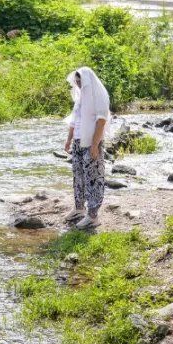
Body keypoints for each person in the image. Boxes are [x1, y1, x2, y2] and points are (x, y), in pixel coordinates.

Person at [64, 67, 111, 229]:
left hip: (91, 141)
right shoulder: (80, 97)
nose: (77, 84)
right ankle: (79, 208)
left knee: (93, 178)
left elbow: (101, 120)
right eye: (76, 81)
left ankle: (93, 216)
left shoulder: (99, 94)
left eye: (80, 81)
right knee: (78, 175)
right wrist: (68, 140)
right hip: (78, 141)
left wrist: (95, 144)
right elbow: (73, 121)